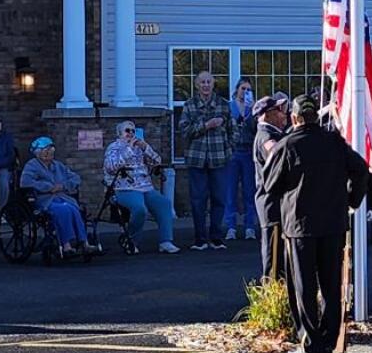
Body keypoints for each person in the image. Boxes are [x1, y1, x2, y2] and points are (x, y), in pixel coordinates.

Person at [261, 93, 368, 353]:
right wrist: (352, 200)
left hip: (300, 227)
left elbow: (269, 184)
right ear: (315, 117)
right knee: (331, 285)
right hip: (333, 223)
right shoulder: (334, 142)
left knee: (304, 286)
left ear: (295, 118)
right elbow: (361, 169)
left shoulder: (288, 144)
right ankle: (330, 342)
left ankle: (311, 344)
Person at [177, 71, 235, 251]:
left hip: (219, 159)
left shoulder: (223, 105)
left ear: (213, 84)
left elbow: (234, 130)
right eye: (202, 82)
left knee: (219, 199)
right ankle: (200, 239)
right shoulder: (189, 105)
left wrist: (230, 149)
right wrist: (206, 125)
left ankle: (216, 238)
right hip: (197, 159)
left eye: (209, 82)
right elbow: (185, 131)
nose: (206, 85)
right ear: (197, 85)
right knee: (198, 200)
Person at [106, 120, 178, 254]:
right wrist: (128, 149)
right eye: (127, 131)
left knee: (164, 204)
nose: (131, 134)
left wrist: (146, 148)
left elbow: (157, 161)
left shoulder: (140, 146)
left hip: (145, 186)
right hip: (125, 187)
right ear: (120, 133)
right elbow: (111, 167)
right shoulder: (114, 147)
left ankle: (165, 241)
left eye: (133, 131)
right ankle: (131, 240)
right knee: (140, 209)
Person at [20, 136, 93, 258]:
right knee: (63, 210)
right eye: (46, 150)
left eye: (51, 150)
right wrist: (48, 187)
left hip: (63, 197)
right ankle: (66, 245)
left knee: (74, 209)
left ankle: (84, 242)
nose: (49, 153)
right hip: (44, 200)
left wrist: (63, 186)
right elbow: (25, 182)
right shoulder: (32, 165)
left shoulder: (58, 165)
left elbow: (75, 178)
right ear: (38, 153)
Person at [251, 92, 292, 279]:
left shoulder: (276, 133)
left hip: (278, 201)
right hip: (271, 201)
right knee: (274, 254)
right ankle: (272, 292)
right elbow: (277, 156)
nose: (284, 114)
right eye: (279, 110)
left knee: (281, 251)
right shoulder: (265, 136)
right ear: (267, 114)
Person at [228, 78, 261, 242]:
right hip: (233, 151)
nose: (245, 92)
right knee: (230, 191)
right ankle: (231, 227)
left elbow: (257, 129)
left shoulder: (253, 108)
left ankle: (249, 227)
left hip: (248, 151)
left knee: (250, 191)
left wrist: (253, 112)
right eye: (243, 89)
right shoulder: (230, 106)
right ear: (237, 89)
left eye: (248, 89)